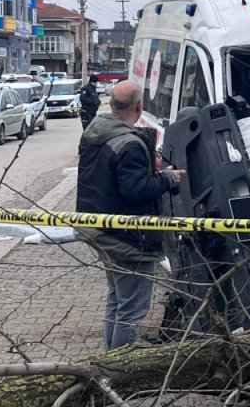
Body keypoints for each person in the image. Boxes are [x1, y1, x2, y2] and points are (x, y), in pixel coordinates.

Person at [76, 80, 185, 349]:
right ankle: (120, 366)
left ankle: (109, 360)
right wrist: (167, 178)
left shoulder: (94, 132)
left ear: (112, 104)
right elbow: (136, 191)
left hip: (100, 229)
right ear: (139, 105)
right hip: (128, 239)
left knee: (117, 300)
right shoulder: (129, 144)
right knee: (131, 310)